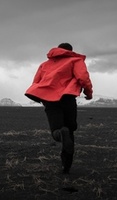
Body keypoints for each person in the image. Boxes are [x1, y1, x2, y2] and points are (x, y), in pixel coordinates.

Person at [25, 43, 93, 174]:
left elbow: (36, 82)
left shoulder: (44, 65)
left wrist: (41, 96)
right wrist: (88, 93)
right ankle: (66, 165)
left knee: (58, 129)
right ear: (70, 51)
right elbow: (83, 77)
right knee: (69, 128)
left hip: (49, 99)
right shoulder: (75, 60)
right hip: (67, 97)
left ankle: (61, 135)